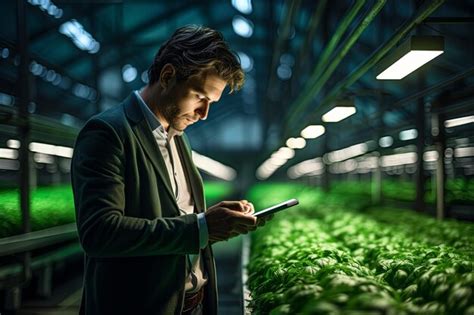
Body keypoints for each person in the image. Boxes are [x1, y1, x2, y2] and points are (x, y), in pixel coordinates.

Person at [71, 25, 269, 315]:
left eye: (212, 103)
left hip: (191, 304)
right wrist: (202, 227)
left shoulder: (179, 137)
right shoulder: (108, 133)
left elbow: (169, 212)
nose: (204, 114)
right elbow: (99, 232)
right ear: (167, 76)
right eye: (200, 97)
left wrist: (211, 218)